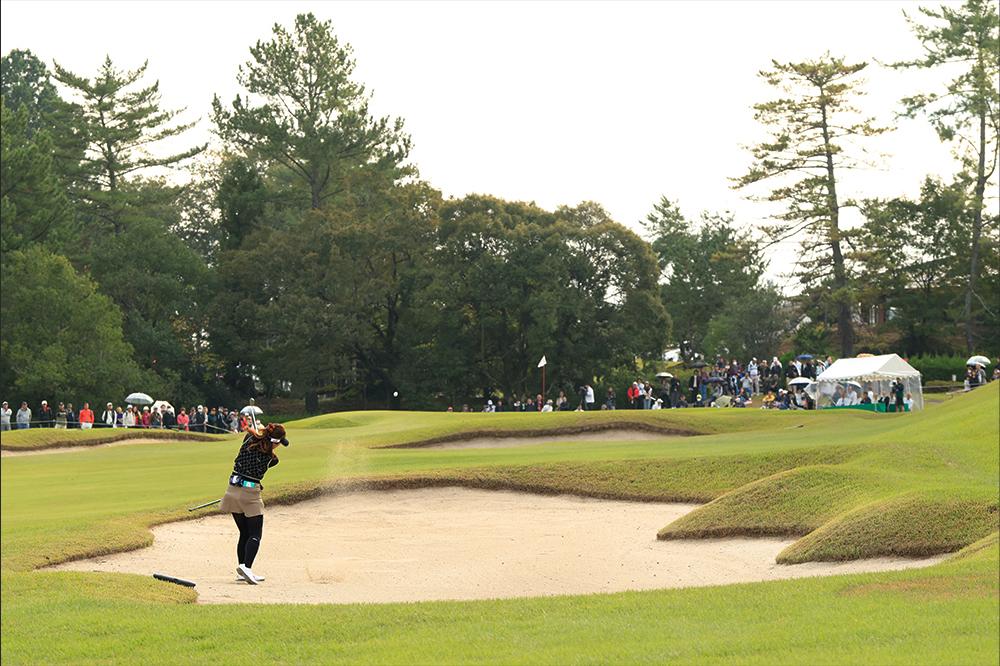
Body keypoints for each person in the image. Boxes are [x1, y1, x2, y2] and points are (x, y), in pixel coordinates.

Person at [219, 423, 290, 585]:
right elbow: (266, 452)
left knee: (244, 533)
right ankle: (247, 568)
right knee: (255, 534)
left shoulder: (248, 439)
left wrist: (260, 433)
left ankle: (242, 568)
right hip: (250, 494)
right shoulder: (272, 459)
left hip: (232, 490)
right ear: (276, 443)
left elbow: (254, 435)